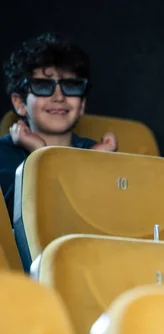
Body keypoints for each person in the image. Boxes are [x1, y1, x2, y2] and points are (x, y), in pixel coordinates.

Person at [1, 32, 117, 221]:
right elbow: (17, 226)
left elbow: (110, 223)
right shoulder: (3, 156)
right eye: (43, 86)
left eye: (70, 86)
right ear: (20, 103)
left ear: (81, 105)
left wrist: (100, 168)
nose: (59, 97)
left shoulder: (96, 153)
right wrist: (41, 156)